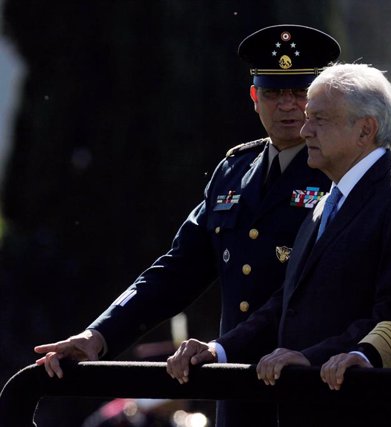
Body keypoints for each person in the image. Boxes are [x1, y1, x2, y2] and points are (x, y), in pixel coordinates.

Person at [33, 24, 340, 427]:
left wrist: (221, 348)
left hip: (312, 388)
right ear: (254, 98)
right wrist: (97, 337)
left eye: (299, 93)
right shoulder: (234, 171)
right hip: (238, 393)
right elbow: (176, 271)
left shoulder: (337, 172)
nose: (287, 106)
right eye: (272, 93)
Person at [165, 63, 391, 427]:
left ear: (365, 129)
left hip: (365, 411)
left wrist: (309, 357)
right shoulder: (328, 199)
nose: (304, 128)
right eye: (308, 117)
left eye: (320, 119)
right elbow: (287, 304)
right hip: (308, 407)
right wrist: (219, 349)